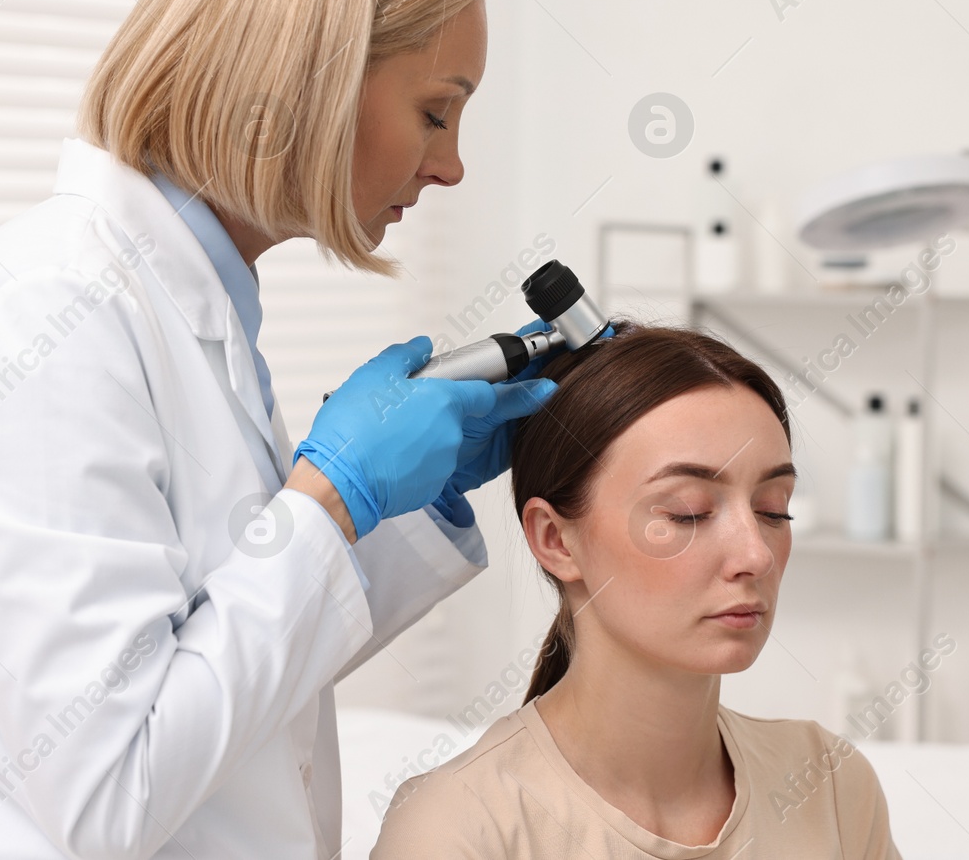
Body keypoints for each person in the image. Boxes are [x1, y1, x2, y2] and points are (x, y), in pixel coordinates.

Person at [0, 0, 556, 859]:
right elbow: (110, 787)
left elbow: (219, 668)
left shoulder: (191, 301)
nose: (448, 164)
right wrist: (326, 498)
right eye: (433, 110)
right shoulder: (51, 314)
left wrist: (399, 505)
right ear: (310, 77)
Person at [371, 322, 904, 859]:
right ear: (556, 539)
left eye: (773, 509)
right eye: (687, 512)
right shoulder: (458, 829)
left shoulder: (829, 786)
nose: (757, 554)